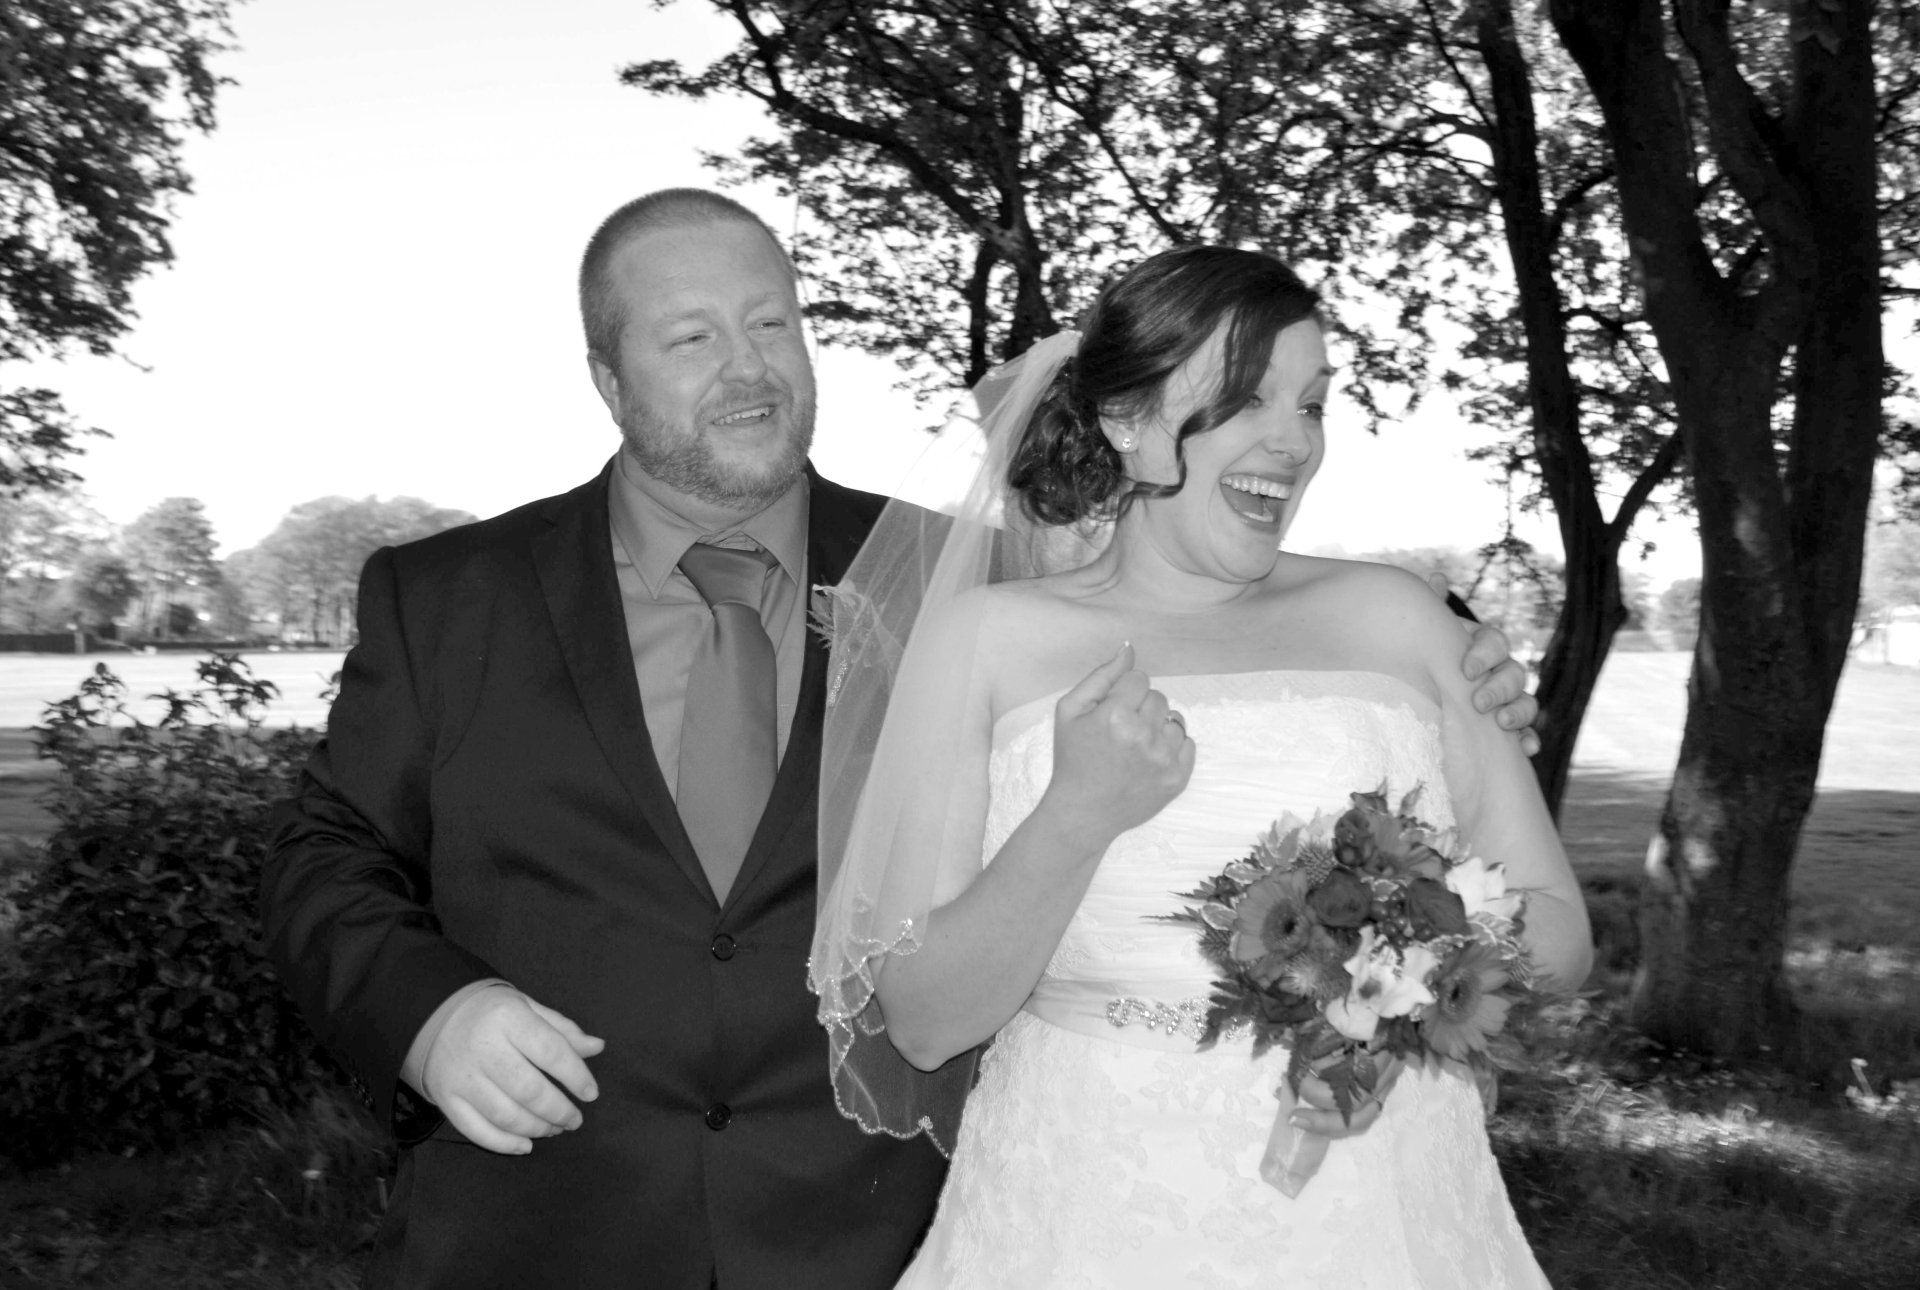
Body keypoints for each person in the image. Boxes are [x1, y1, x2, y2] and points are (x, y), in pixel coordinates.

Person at [259, 189, 1541, 1289]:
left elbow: (1222, 623)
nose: (748, 368)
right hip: (541, 1229)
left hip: (871, 1242)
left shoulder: (975, 582)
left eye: (773, 322)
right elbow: (326, 859)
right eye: (692, 337)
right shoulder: (447, 598)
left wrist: (1467, 675)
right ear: (608, 378)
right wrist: (429, 1015)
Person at [809, 245, 1593, 1288]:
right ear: (1125, 418)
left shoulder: (1401, 621)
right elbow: (923, 1020)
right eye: (1246, 397)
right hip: (1084, 1211)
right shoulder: (986, 643)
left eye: (1312, 404)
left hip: (1379, 1204)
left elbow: (1560, 928)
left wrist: (1400, 990)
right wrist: (1079, 815)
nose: (1295, 441)